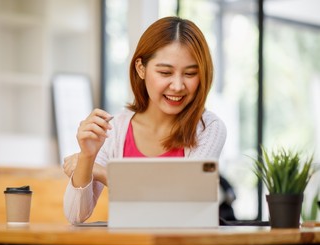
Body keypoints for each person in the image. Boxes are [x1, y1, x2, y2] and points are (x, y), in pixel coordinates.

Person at [62, 16, 227, 225]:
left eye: (190, 73)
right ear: (141, 68)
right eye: (165, 72)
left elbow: (182, 204)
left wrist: (103, 172)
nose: (177, 85)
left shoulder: (208, 128)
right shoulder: (116, 129)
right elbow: (75, 215)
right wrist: (87, 157)